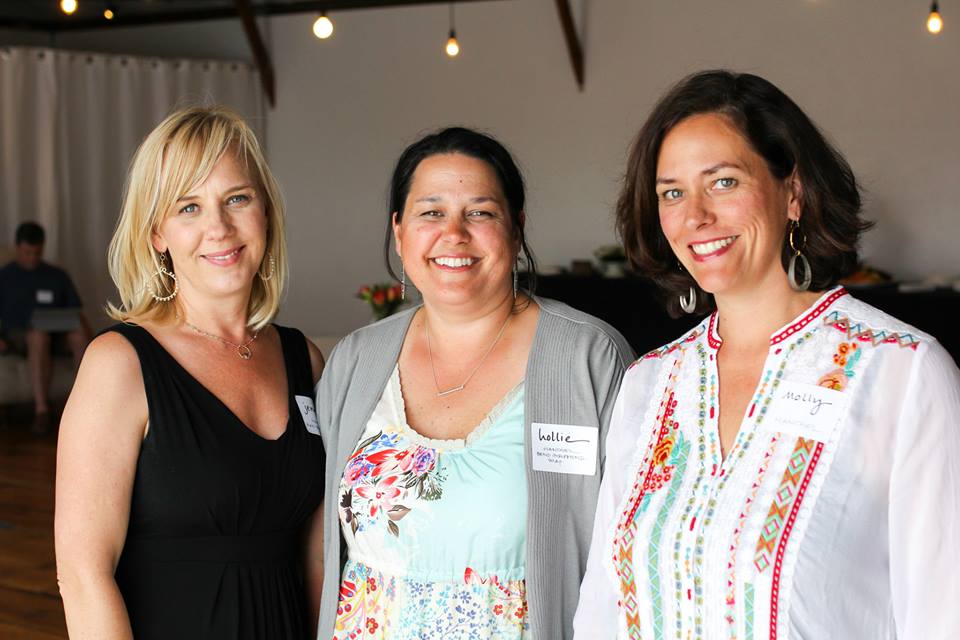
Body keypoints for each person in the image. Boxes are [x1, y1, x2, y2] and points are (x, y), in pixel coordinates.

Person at [573, 70, 960, 639]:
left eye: (723, 182)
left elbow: (942, 615)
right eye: (672, 192)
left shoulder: (901, 371)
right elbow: (601, 614)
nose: (695, 216)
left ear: (793, 193)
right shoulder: (648, 383)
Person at [315, 127, 634, 639]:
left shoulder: (588, 359)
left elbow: (632, 550)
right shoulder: (355, 361)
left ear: (516, 228)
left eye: (480, 213)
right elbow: (322, 546)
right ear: (399, 232)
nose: (454, 234)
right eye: (431, 212)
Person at [54, 106, 326, 639]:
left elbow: (316, 551)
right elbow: (84, 576)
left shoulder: (304, 359)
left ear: (266, 212)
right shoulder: (120, 364)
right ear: (157, 233)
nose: (218, 228)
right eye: (189, 207)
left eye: (237, 199)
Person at [0, 221, 91, 426]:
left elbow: (75, 311)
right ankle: (41, 410)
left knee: (78, 331)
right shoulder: (4, 276)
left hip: (57, 332)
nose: (32, 257)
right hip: (19, 334)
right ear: (18, 248)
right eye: (27, 253)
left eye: (37, 252)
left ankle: (82, 403)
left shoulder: (57, 275)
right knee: (38, 336)